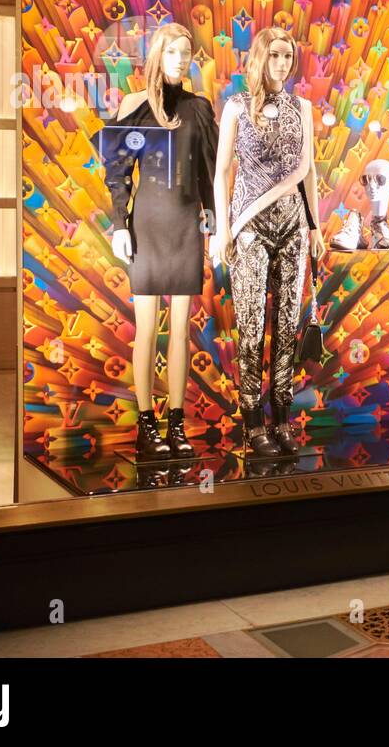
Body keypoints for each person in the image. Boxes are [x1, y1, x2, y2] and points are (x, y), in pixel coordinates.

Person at [104, 23, 218, 461]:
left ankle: (176, 422)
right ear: (157, 55)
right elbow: (116, 170)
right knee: (147, 328)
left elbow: (207, 169)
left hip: (187, 225)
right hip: (147, 226)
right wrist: (118, 225)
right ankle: (146, 424)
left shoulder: (198, 108)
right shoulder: (136, 105)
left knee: (181, 329)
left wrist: (211, 213)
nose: (180, 59)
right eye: (172, 51)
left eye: (186, 52)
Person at [211, 26, 326, 458]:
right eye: (275, 55)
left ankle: (282, 416)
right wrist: (223, 228)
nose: (282, 64)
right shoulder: (237, 108)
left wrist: (315, 226)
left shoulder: (303, 107)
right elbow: (223, 172)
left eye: (288, 56)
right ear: (261, 57)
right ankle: (252, 422)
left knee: (285, 327)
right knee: (252, 325)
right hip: (250, 224)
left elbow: (308, 170)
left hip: (294, 225)